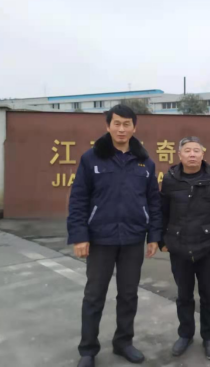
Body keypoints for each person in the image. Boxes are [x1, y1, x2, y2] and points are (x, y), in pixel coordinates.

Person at [67, 105, 162, 367]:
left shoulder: (145, 161)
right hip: (100, 239)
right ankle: (88, 350)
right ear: (108, 126)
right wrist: (79, 236)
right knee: (94, 295)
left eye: (126, 124)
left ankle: (123, 342)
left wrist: (154, 236)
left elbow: (153, 201)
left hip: (133, 238)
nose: (121, 129)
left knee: (128, 295)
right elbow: (78, 199)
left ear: (134, 127)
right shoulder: (91, 158)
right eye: (117, 123)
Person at [160, 136, 210, 361]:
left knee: (208, 296)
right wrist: (162, 240)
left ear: (203, 154)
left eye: (196, 150)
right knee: (183, 296)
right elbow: (162, 210)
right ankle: (185, 335)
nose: (192, 154)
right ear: (179, 155)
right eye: (187, 150)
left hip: (208, 247)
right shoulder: (170, 178)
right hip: (179, 247)